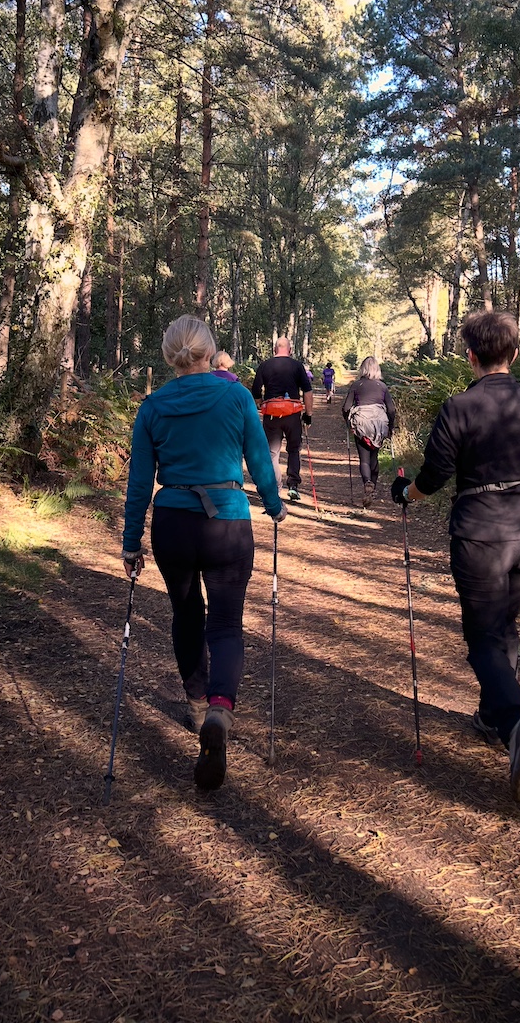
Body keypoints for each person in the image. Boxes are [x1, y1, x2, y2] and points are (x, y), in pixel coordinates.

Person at [390, 310, 520, 804]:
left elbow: (435, 474)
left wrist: (405, 495)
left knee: (482, 634)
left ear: (470, 354)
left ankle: (515, 722)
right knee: (503, 624)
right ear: (515, 352)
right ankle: (494, 716)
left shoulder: (459, 407)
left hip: (482, 532)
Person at [121, 315, 286, 792]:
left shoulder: (152, 406)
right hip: (227, 522)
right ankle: (220, 710)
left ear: (170, 354)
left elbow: (138, 484)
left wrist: (132, 542)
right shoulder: (235, 395)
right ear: (209, 351)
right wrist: (273, 505)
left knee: (186, 613)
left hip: (173, 522)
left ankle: (196, 703)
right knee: (227, 624)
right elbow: (259, 458)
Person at [251, 336, 313, 503]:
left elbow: (256, 390)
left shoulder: (265, 365)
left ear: (274, 350)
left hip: (271, 415)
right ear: (290, 350)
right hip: (293, 414)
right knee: (293, 449)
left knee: (272, 453)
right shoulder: (297, 366)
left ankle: (275, 487)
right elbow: (307, 391)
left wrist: (260, 404)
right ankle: (293, 485)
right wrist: (308, 414)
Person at [342, 356, 396, 508]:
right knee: (374, 456)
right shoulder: (382, 386)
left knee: (364, 458)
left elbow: (346, 408)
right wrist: (390, 427)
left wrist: (348, 422)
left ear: (362, 369)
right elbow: (391, 409)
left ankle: (367, 483)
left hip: (361, 422)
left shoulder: (356, 385)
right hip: (379, 423)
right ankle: (372, 489)